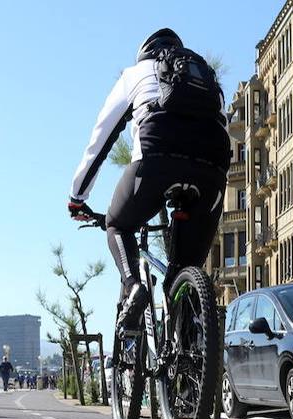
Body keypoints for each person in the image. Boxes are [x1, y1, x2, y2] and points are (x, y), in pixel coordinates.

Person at [67, 28, 229, 330]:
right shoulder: (206, 80)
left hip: (156, 163)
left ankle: (133, 287)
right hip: (213, 170)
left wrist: (78, 196)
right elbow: (224, 128)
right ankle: (192, 337)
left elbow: (102, 138)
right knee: (186, 268)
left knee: (118, 223)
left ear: (146, 53)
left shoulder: (136, 73)